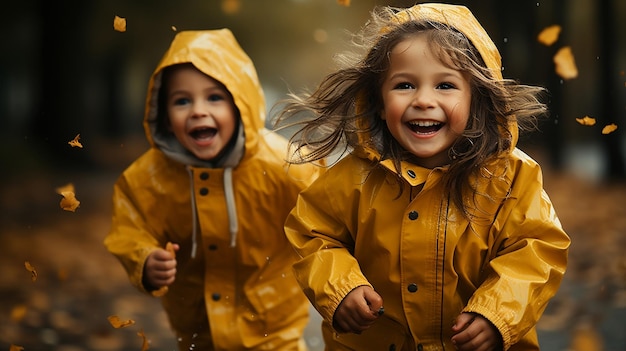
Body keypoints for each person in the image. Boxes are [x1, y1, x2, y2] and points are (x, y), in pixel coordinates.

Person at [273, 3, 570, 351]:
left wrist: (497, 313)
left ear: (476, 100)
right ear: (380, 103)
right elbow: (314, 235)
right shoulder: (353, 178)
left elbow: (535, 250)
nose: (424, 100)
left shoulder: (512, 178)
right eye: (404, 85)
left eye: (445, 85)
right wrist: (340, 287)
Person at [104, 29, 320, 350]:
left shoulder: (284, 165)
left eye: (214, 97)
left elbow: (327, 215)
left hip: (273, 333)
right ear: (163, 113)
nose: (198, 111)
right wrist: (145, 260)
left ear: (239, 104)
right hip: (195, 333)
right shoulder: (149, 177)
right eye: (182, 101)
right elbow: (129, 229)